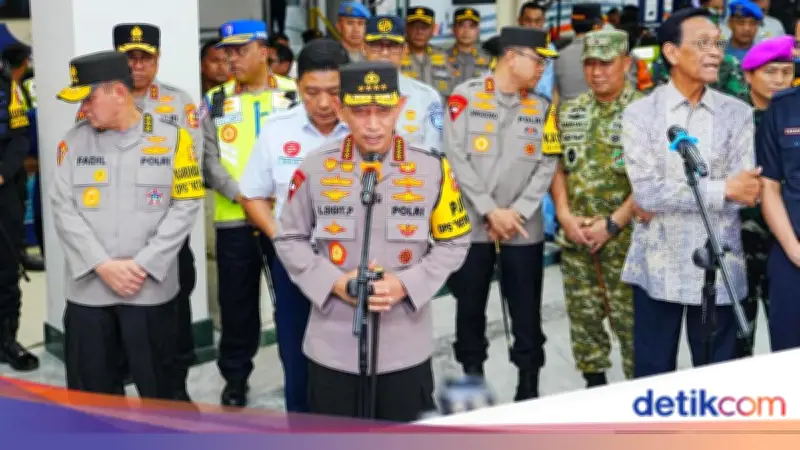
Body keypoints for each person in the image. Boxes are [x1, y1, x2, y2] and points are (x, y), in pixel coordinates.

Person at [274, 60, 470, 422]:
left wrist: (406, 285)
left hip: (404, 349)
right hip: (332, 347)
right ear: (340, 110)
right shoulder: (315, 167)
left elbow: (454, 242)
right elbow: (289, 238)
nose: (373, 124)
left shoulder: (432, 169)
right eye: (361, 112)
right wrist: (333, 282)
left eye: (383, 110)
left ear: (400, 108)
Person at [50, 51, 203, 398]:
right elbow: (63, 208)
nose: (83, 109)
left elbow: (186, 203)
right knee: (93, 395)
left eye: (89, 99)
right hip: (89, 290)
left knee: (160, 389)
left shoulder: (174, 139)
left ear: (119, 92)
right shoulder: (72, 142)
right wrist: (103, 265)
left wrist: (144, 264)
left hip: (148, 289)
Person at [621, 8, 760, 378]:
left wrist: (723, 190)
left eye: (718, 43)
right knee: (653, 377)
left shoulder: (737, 113)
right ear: (671, 52)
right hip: (657, 267)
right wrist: (724, 188)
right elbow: (647, 194)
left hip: (719, 266)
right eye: (702, 43)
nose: (715, 52)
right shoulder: (640, 114)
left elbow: (747, 191)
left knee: (716, 381)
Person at [444, 26, 560, 400]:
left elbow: (548, 163)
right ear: (512, 56)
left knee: (526, 311)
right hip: (474, 226)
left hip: (523, 229)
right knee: (470, 308)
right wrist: (491, 211)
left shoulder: (542, 107)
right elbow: (455, 157)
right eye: (537, 59)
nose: (543, 67)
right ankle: (472, 382)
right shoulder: (464, 97)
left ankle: (528, 388)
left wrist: (517, 213)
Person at [239, 38, 351, 414]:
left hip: (357, 263)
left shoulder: (369, 129)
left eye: (334, 93)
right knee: (298, 358)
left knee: (357, 360)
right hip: (296, 266)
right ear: (297, 85)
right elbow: (252, 194)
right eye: (311, 92)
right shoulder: (277, 129)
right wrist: (280, 236)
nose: (322, 104)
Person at [202, 19, 297, 407]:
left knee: (291, 302)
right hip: (234, 219)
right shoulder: (215, 100)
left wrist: (277, 194)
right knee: (237, 307)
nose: (231, 60)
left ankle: (299, 370)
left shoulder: (295, 95)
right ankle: (236, 378)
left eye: (240, 51)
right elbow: (208, 159)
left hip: (287, 220)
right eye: (227, 52)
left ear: (264, 52)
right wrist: (243, 196)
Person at [113, 22, 201, 402]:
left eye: (144, 57)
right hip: (115, 234)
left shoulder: (179, 103)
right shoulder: (100, 101)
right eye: (128, 57)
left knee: (174, 312)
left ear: (157, 58)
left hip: (166, 233)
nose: (137, 65)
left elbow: (190, 166)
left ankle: (173, 389)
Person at [551, 29, 642, 386]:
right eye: (589, 63)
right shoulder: (569, 112)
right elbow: (557, 166)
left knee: (634, 330)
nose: (597, 72)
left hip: (629, 243)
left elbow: (654, 180)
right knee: (585, 326)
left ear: (626, 63)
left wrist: (614, 224)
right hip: (577, 240)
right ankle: (595, 393)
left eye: (605, 63)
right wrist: (563, 215)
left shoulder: (646, 114)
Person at [734, 36, 794, 358]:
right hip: (738, 242)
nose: (780, 80)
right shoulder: (730, 117)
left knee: (786, 340)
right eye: (771, 72)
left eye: (787, 72)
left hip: (784, 244)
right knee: (737, 342)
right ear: (748, 75)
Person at [756, 52, 800, 353]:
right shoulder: (782, 108)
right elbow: (768, 187)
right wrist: (795, 251)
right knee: (787, 356)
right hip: (792, 250)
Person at [0, 47, 37, 372]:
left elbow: (19, 136)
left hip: (3, 187)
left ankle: (7, 341)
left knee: (6, 272)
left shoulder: (7, 84)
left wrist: (2, 171)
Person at [363, 15, 444, 151]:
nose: (384, 52)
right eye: (377, 45)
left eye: (393, 45)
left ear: (405, 49)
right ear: (364, 48)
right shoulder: (346, 95)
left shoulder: (427, 97)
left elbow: (434, 154)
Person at [553, 4, 605, 103]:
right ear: (596, 26)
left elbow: (554, 93)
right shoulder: (607, 56)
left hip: (565, 115)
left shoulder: (559, 56)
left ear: (572, 24)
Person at [401, 7, 452, 98]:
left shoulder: (443, 57)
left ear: (433, 29)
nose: (419, 32)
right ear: (406, 28)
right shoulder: (395, 55)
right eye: (414, 26)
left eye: (424, 27)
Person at [517, 1, 560, 101]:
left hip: (545, 108)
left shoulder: (551, 48)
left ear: (543, 21)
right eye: (528, 20)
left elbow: (554, 87)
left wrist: (553, 111)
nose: (533, 25)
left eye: (537, 21)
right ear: (520, 21)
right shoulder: (513, 50)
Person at [447, 8, 493, 88]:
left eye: (472, 26)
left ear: (478, 30)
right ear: (453, 29)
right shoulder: (442, 58)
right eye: (461, 25)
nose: (466, 31)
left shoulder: (489, 60)